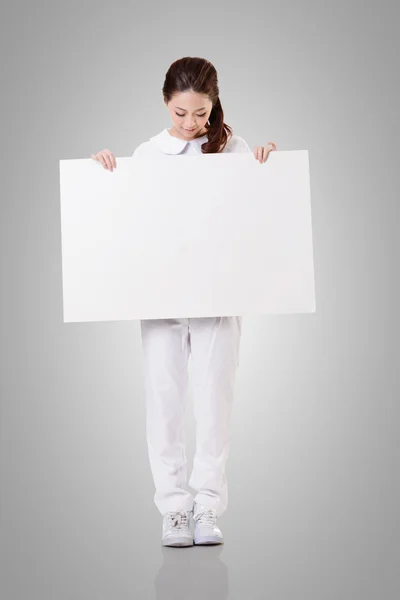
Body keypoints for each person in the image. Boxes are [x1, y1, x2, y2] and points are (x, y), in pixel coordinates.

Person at [91, 56, 277, 548]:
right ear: (164, 104)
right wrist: (103, 179)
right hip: (162, 301)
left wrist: (265, 169)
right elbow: (126, 225)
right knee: (165, 403)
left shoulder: (231, 148)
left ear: (214, 104)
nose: (191, 124)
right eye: (179, 113)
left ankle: (208, 507)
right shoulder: (147, 154)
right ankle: (174, 508)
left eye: (200, 113)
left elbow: (253, 216)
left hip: (217, 299)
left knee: (215, 404)